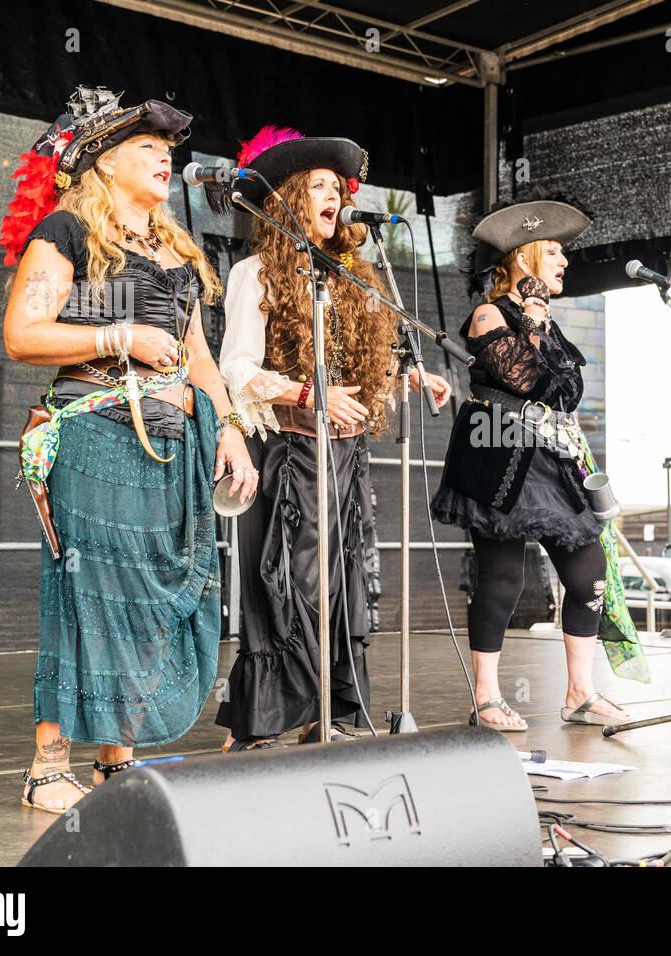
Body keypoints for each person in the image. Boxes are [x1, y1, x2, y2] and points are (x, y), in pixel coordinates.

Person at [0, 87, 257, 813]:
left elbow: (199, 356)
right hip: (95, 435)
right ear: (103, 165)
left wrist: (230, 425)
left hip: (171, 445)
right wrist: (115, 336)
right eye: (145, 148)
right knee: (84, 593)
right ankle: (50, 763)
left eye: (167, 150)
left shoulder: (178, 249)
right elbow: (23, 333)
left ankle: (118, 763)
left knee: (147, 598)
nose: (163, 158)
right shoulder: (66, 230)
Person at [214, 128, 451, 749]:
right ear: (290, 198)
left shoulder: (348, 279)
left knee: (338, 583)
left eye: (336, 187)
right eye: (317, 185)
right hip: (287, 453)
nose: (332, 195)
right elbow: (235, 368)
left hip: (343, 459)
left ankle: (326, 716)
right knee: (287, 585)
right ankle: (262, 723)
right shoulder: (253, 273)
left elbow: (361, 364)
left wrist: (410, 374)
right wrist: (305, 394)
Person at [431, 197, 632, 730]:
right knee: (502, 576)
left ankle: (580, 693)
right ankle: (487, 696)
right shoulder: (488, 314)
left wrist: (542, 324)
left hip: (552, 458)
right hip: (498, 456)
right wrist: (537, 325)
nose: (565, 261)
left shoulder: (546, 320)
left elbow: (568, 388)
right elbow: (528, 379)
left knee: (589, 569)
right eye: (555, 252)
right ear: (523, 258)